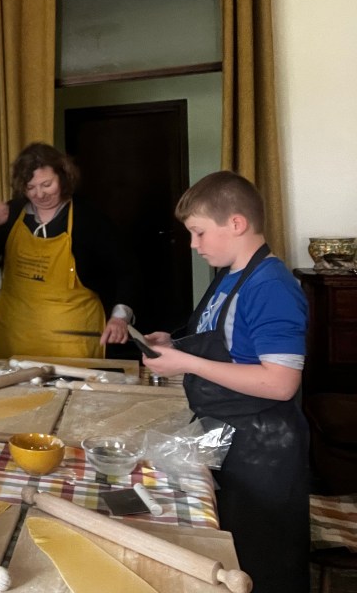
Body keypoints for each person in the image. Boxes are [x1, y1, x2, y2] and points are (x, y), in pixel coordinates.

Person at [129, 171, 309, 592]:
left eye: (199, 232)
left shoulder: (271, 286)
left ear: (236, 223)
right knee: (232, 552)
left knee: (263, 561)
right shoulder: (229, 277)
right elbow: (228, 343)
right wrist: (173, 344)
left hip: (264, 446)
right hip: (231, 435)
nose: (194, 245)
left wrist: (186, 362)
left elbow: (281, 382)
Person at [0, 142, 135, 359]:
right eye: (30, 187)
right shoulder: (12, 212)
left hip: (72, 337)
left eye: (47, 184)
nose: (39, 194)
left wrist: (120, 317)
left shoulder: (89, 218)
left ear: (63, 177)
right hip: (16, 334)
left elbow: (127, 271)